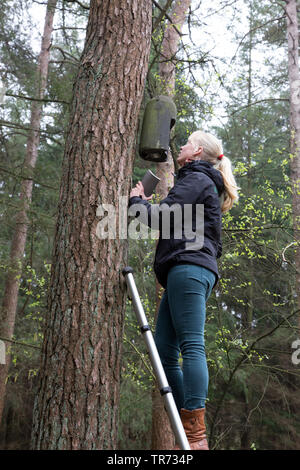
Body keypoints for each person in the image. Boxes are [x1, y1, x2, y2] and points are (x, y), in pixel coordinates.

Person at [129, 130, 239, 450]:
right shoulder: (198, 180)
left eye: (187, 142)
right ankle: (183, 423)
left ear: (197, 152)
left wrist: (137, 201)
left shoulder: (198, 179)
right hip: (184, 270)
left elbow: (161, 218)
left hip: (189, 269)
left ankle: (195, 433)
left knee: (191, 344)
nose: (181, 146)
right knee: (164, 350)